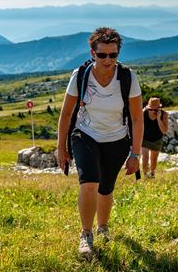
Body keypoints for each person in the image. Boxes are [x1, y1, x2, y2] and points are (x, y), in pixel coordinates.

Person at [56, 27, 143, 258]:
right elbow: (66, 114)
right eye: (102, 55)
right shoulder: (80, 75)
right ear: (92, 52)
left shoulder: (127, 78)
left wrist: (135, 154)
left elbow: (136, 117)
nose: (108, 60)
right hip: (85, 134)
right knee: (89, 183)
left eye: (113, 55)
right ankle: (86, 235)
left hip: (117, 139)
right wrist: (61, 148)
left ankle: (103, 227)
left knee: (106, 188)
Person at [141, 97, 168, 178]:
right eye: (150, 109)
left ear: (159, 109)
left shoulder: (164, 114)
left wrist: (159, 119)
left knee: (153, 159)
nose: (153, 111)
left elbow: (164, 131)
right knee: (144, 158)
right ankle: (146, 175)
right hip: (145, 138)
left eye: (155, 110)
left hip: (157, 139)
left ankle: (152, 174)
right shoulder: (143, 113)